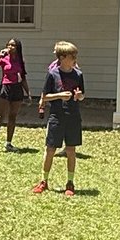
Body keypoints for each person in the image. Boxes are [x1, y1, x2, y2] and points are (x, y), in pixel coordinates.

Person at [32, 41, 84, 197]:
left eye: (75, 55)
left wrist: (79, 96)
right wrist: (60, 95)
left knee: (71, 150)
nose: (75, 58)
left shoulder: (78, 75)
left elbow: (82, 95)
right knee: (50, 149)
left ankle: (70, 182)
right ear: (62, 57)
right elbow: (45, 97)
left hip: (73, 116)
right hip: (57, 116)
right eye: (72, 56)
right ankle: (44, 181)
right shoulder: (53, 74)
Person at [0, 37, 30, 153]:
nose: (10, 47)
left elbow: (23, 78)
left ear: (18, 48)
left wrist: (28, 93)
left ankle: (8, 143)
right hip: (5, 87)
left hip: (17, 88)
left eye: (13, 45)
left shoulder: (20, 61)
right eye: (9, 45)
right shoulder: (4, 58)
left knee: (12, 116)